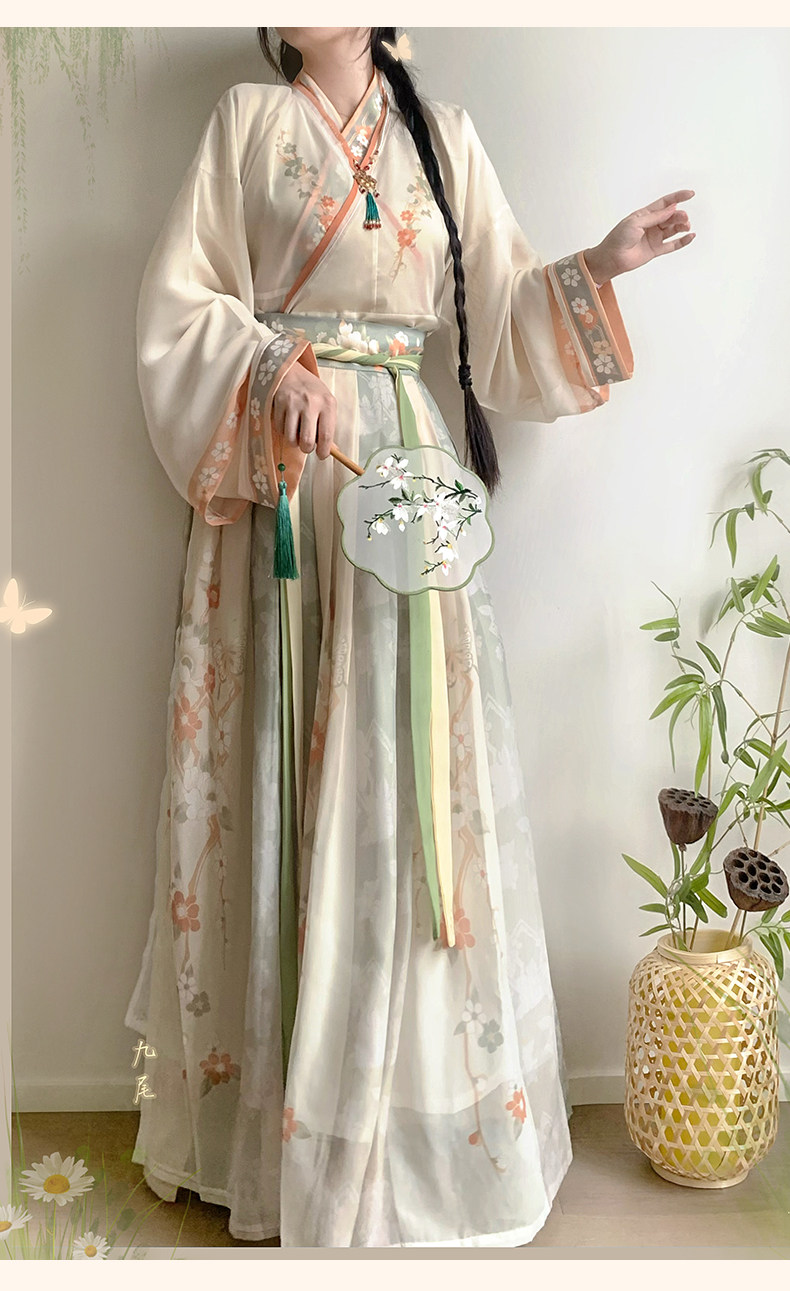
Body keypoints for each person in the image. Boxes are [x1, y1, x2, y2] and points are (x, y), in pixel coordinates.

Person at [125, 26, 695, 1248]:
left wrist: (598, 265)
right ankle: (286, 1119)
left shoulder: (445, 139)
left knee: (410, 779)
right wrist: (269, 361)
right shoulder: (245, 124)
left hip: (404, 477)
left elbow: (500, 314)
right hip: (285, 471)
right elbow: (177, 308)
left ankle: (407, 1112)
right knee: (286, 763)